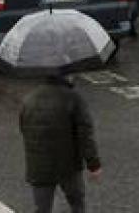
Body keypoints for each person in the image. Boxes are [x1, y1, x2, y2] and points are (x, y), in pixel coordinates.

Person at [20, 74, 101, 212]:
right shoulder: (73, 98)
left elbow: (24, 129)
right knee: (77, 204)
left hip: (39, 166)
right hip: (68, 166)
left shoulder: (29, 99)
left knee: (42, 209)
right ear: (67, 76)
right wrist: (93, 164)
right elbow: (85, 135)